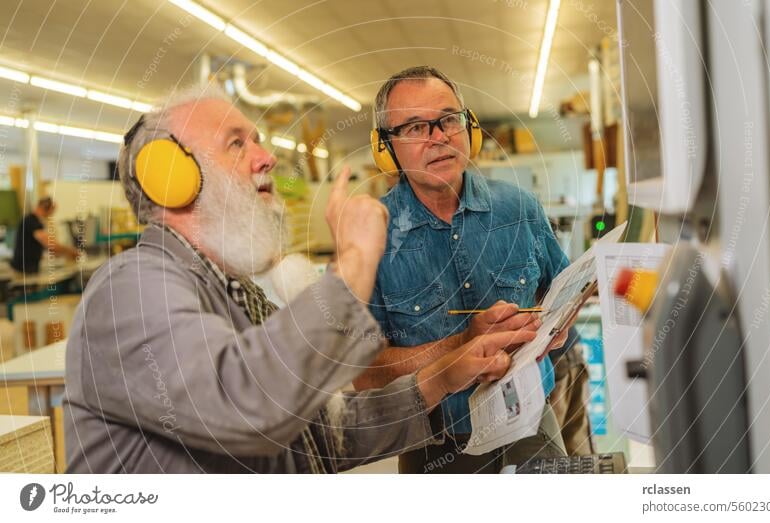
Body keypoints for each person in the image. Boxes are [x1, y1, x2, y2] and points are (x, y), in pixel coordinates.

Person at [63, 84, 534, 473]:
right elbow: (247, 405)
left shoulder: (236, 294)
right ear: (170, 178)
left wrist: (445, 377)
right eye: (236, 143)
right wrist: (355, 258)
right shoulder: (131, 289)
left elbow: (322, 432)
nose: (266, 157)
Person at [355, 66, 576, 473]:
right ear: (386, 147)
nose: (439, 137)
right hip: (436, 447)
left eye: (448, 120)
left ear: (467, 127)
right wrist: (463, 345)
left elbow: (563, 293)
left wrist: (552, 324)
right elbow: (367, 374)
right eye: (416, 127)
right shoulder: (371, 237)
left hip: (532, 428)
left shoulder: (520, 208)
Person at [10, 196, 79, 274]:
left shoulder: (32, 221)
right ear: (45, 208)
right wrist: (71, 251)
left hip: (28, 268)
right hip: (23, 270)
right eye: (52, 211)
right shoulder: (32, 221)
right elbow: (50, 244)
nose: (51, 214)